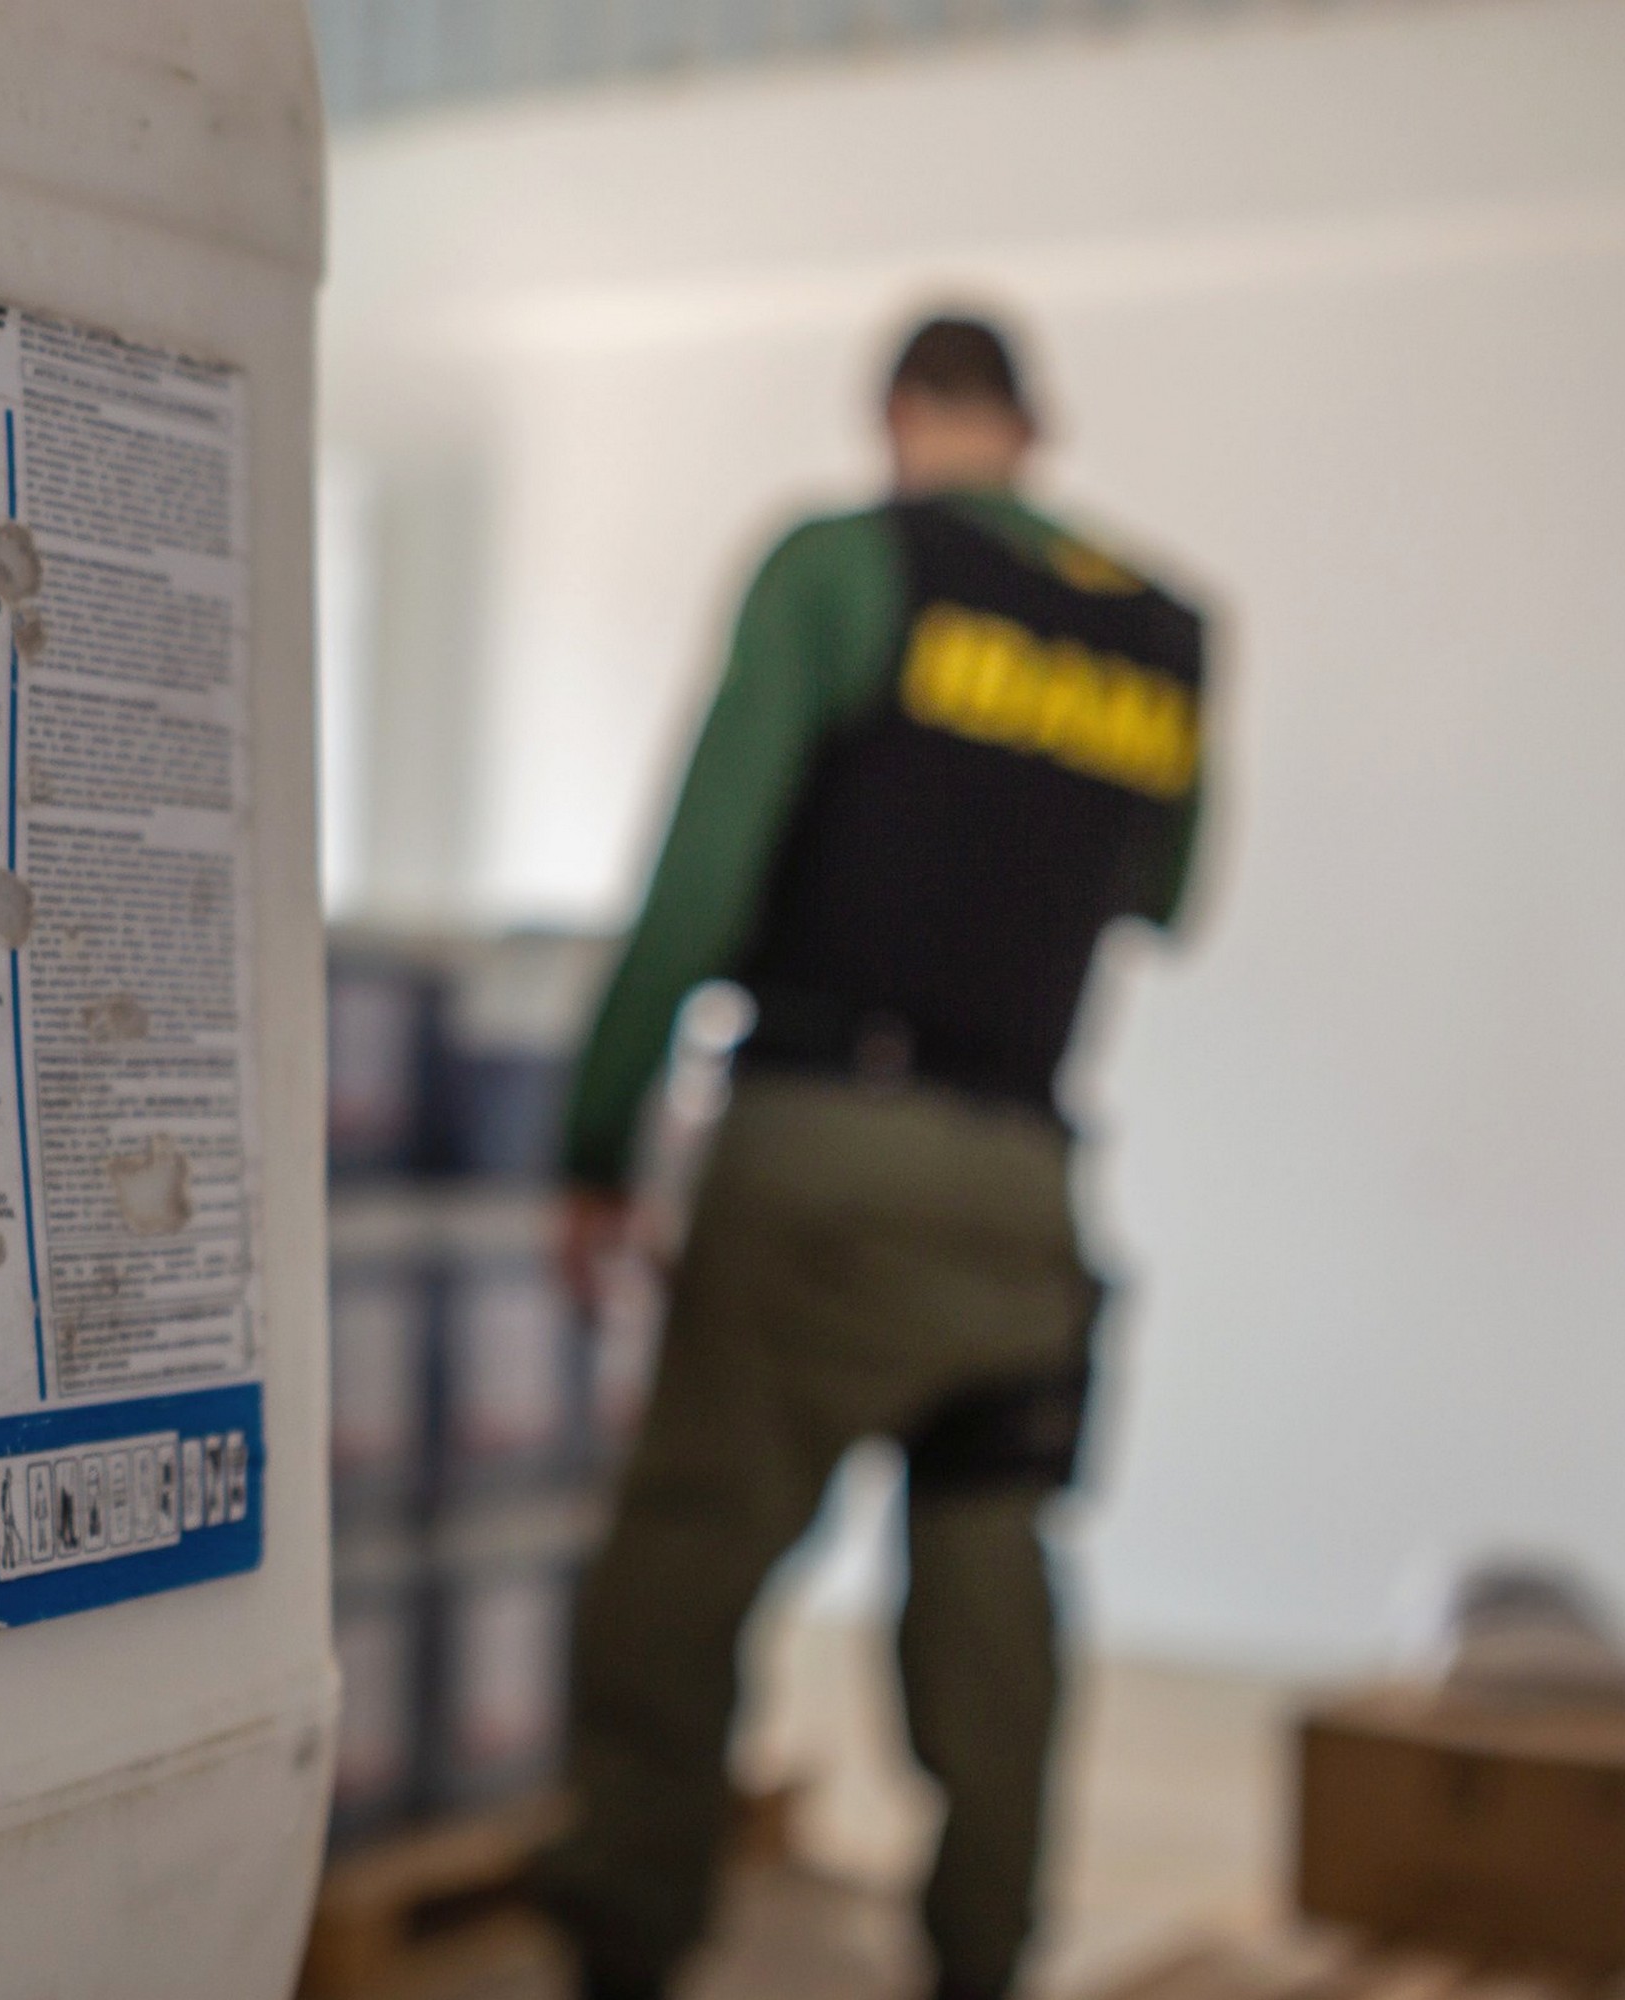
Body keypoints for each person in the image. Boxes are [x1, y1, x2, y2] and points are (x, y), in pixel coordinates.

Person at [529, 315, 1210, 2000]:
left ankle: (626, 1945)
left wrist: (598, 1135)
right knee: (994, 1612)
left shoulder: (841, 566)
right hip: (1024, 1182)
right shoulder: (1164, 631)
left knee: (679, 1584)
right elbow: (1165, 897)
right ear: (1034, 427)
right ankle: (985, 1962)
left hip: (824, 1162)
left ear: (898, 413)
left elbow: (701, 878)